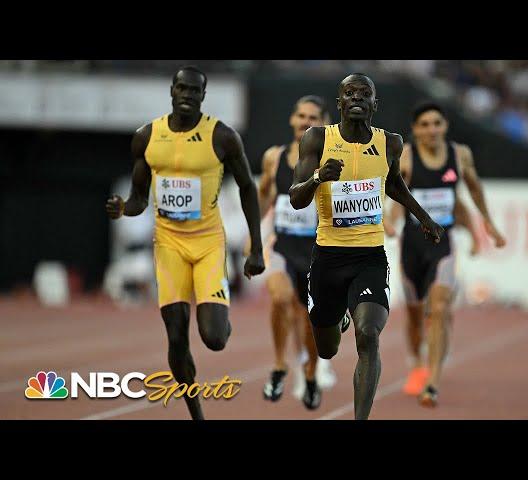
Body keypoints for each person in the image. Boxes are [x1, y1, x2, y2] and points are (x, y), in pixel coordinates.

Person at [105, 65, 265, 420]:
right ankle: (196, 413)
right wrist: (123, 209)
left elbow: (247, 187)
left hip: (208, 244)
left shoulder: (222, 137)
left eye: (196, 91)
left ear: (204, 97)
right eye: (183, 89)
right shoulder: (147, 137)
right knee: (176, 335)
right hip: (169, 245)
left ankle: (221, 318)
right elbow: (138, 198)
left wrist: (256, 246)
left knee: (214, 338)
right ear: (172, 91)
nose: (188, 96)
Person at [289, 74, 444, 420]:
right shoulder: (317, 138)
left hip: (369, 256)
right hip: (328, 257)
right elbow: (296, 198)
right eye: (349, 94)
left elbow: (393, 183)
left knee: (368, 333)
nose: (357, 98)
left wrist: (424, 218)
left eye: (365, 94)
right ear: (340, 102)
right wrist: (317, 178)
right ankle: (339, 313)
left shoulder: (390, 143)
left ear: (375, 105)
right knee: (327, 349)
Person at [386, 102, 505, 407]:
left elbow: (470, 193)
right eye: (424, 124)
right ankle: (416, 365)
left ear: (445, 125)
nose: (431, 130)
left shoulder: (459, 155)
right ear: (415, 129)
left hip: (442, 244)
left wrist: (486, 226)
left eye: (436, 123)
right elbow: (398, 194)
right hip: (412, 245)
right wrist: (390, 220)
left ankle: (433, 383)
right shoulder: (408, 157)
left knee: (438, 308)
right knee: (414, 316)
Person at [256, 95, 331, 409]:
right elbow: (262, 196)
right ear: (292, 119)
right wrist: (252, 237)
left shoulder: (330, 160)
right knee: (279, 297)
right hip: (283, 245)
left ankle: (311, 374)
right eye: (301, 115)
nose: (305, 122)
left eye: (312, 117)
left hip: (317, 252)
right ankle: (278, 365)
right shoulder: (274, 157)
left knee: (310, 321)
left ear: (324, 124)